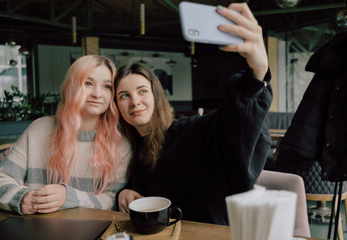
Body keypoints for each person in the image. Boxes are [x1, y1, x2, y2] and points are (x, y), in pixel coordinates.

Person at [115, 3, 272, 225]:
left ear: (157, 96)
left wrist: (257, 72)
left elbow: (230, 120)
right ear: (117, 106)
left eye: (142, 91)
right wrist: (125, 192)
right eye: (124, 95)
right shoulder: (135, 148)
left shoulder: (187, 131)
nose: (135, 101)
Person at [0, 55, 130, 215]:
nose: (97, 94)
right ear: (71, 87)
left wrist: (69, 197)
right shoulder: (40, 129)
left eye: (107, 86)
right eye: (88, 83)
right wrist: (22, 198)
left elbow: (113, 199)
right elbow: (0, 177)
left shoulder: (121, 142)